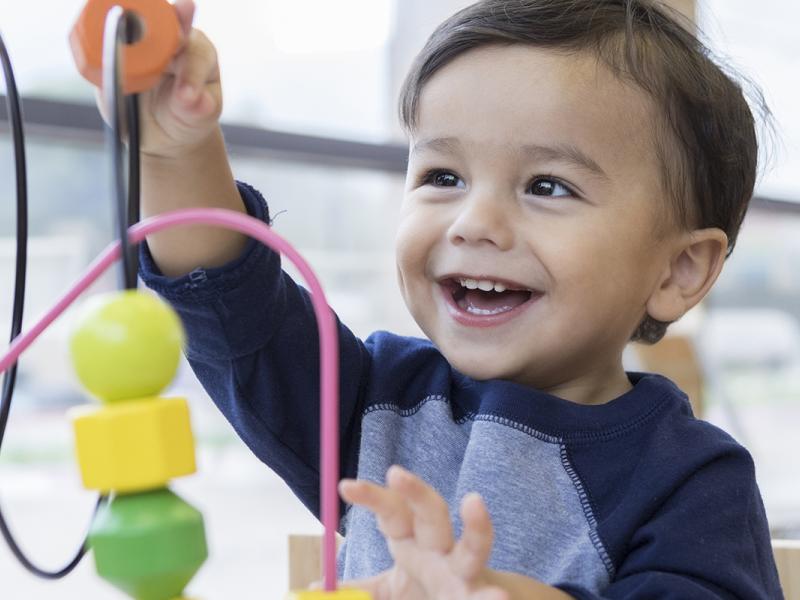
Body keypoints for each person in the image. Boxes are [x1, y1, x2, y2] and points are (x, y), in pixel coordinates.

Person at [117, 0, 783, 597]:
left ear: (678, 271)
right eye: (443, 175)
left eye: (548, 186)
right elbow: (231, 304)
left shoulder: (692, 481)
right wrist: (177, 152)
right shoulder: (377, 399)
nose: (473, 222)